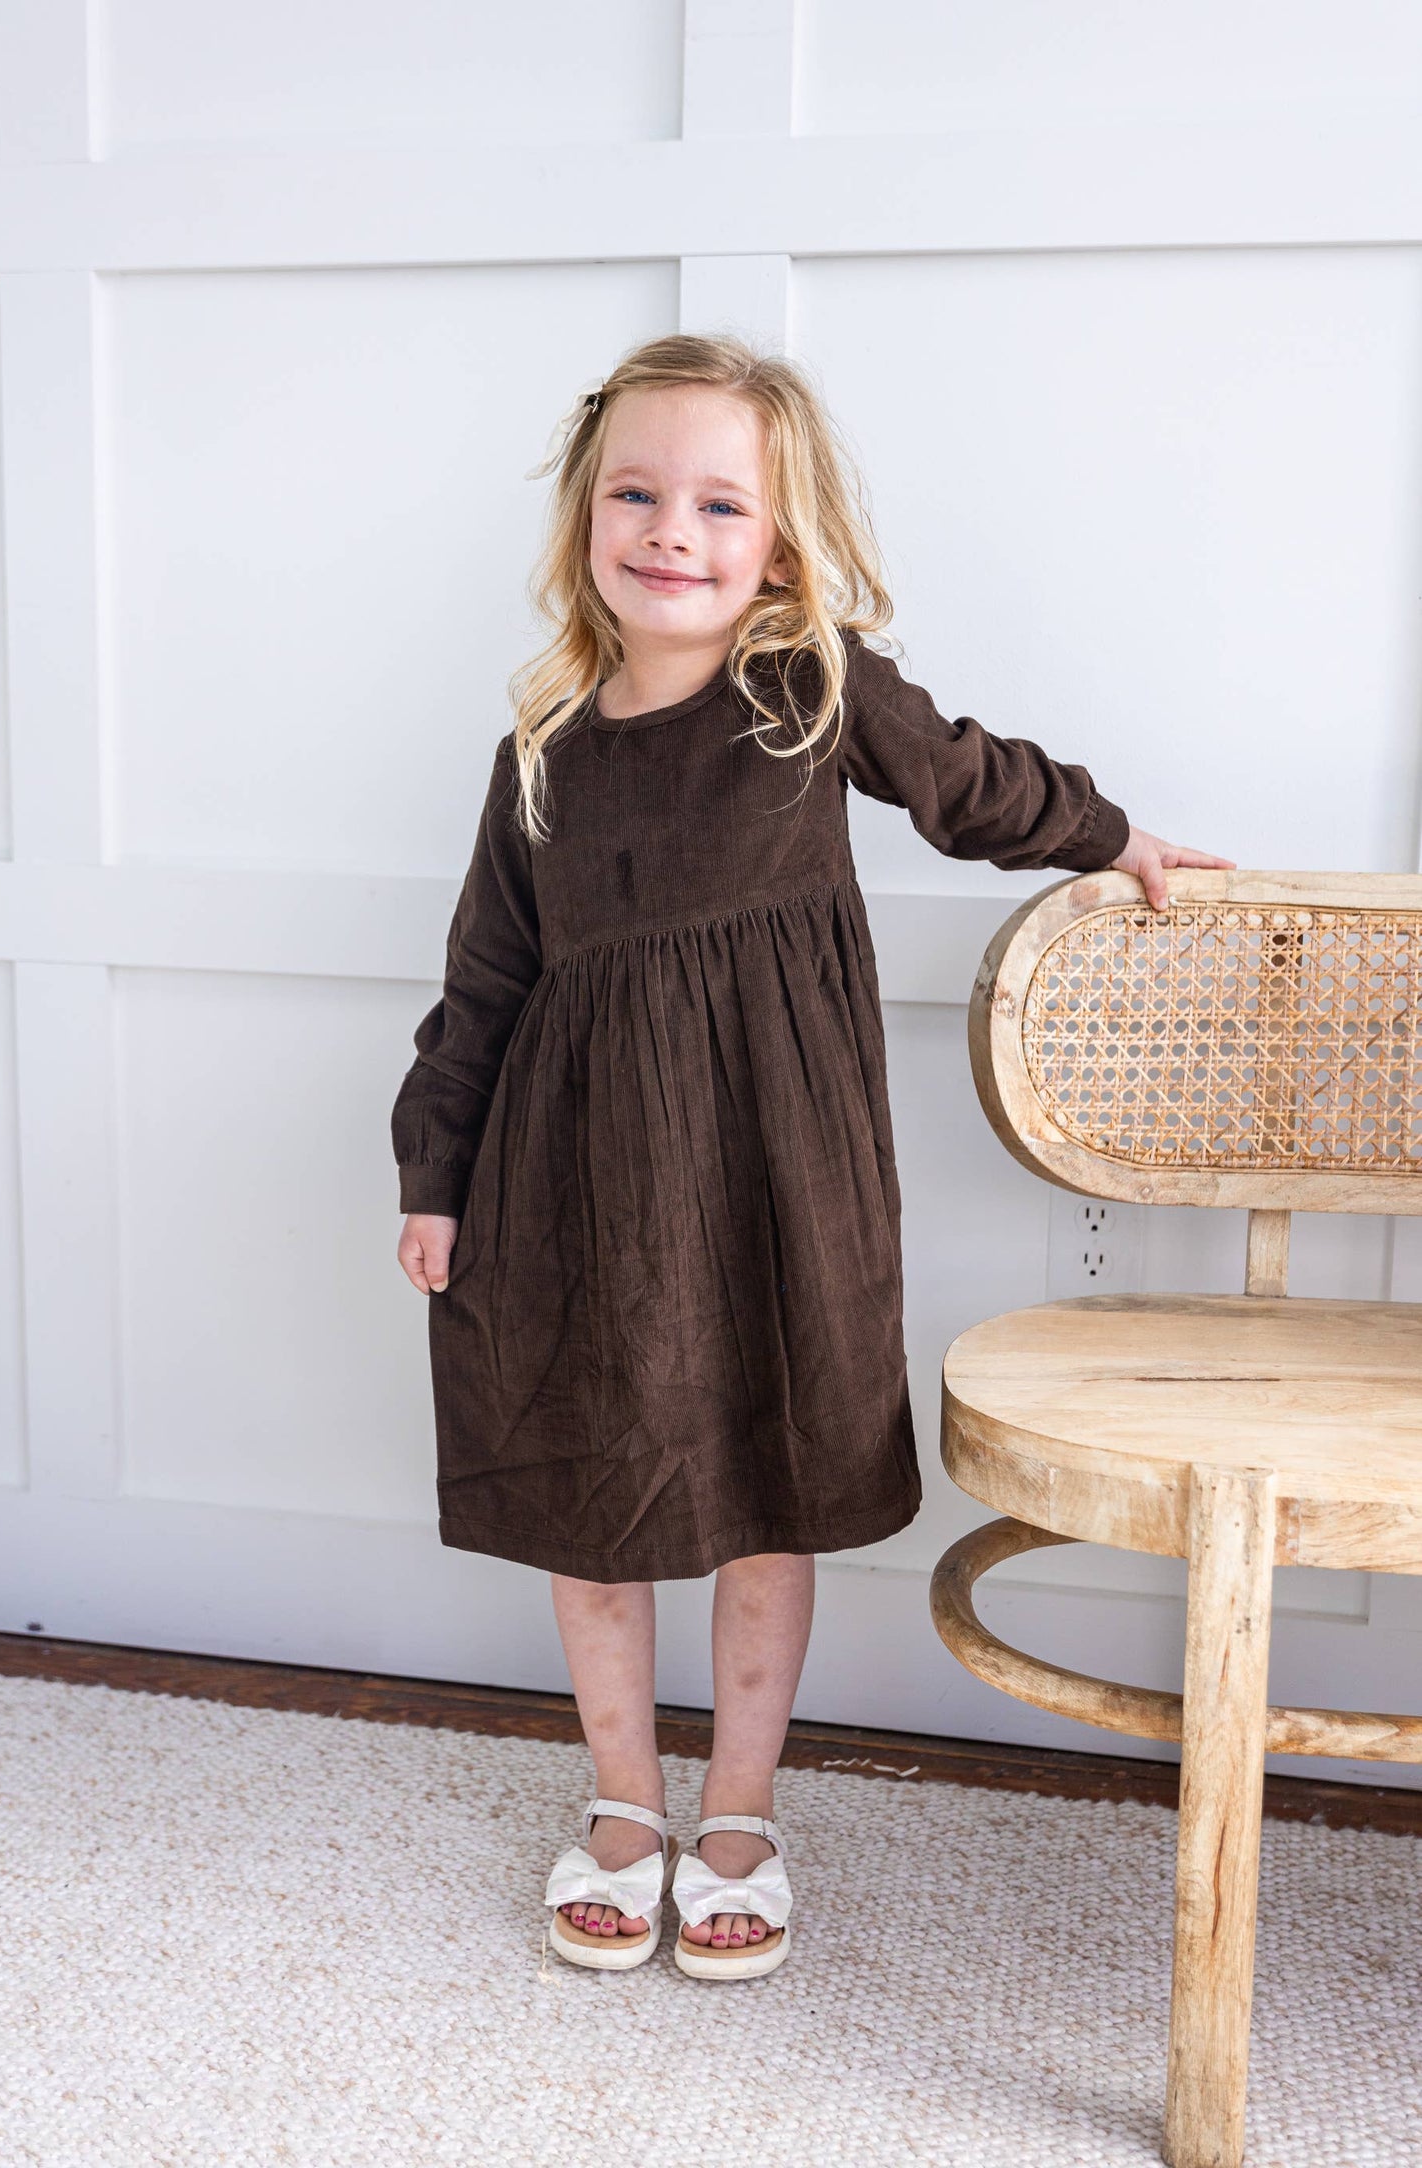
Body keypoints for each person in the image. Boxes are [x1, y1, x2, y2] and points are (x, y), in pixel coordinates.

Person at [390, 332, 1234, 1981]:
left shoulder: (808, 690)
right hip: (571, 1182)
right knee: (596, 1482)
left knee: (765, 1471)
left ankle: (741, 1814)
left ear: (774, 542)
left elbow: (966, 784)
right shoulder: (541, 756)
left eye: (717, 503)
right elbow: (483, 984)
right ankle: (625, 1805)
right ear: (584, 519)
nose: (670, 531)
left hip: (778, 1163)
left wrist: (1111, 834)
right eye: (635, 493)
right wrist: (437, 1175)